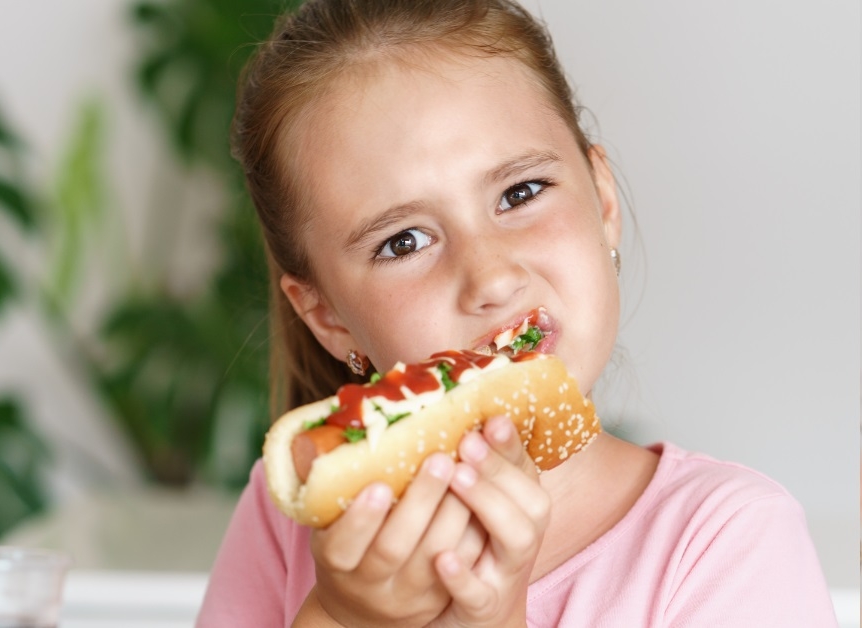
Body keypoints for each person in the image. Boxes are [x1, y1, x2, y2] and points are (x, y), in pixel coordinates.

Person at [196, 0, 837, 626]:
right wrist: (342, 616)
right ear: (328, 317)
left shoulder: (728, 544)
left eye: (520, 193)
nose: (492, 277)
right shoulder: (294, 513)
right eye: (404, 242)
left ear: (603, 202)